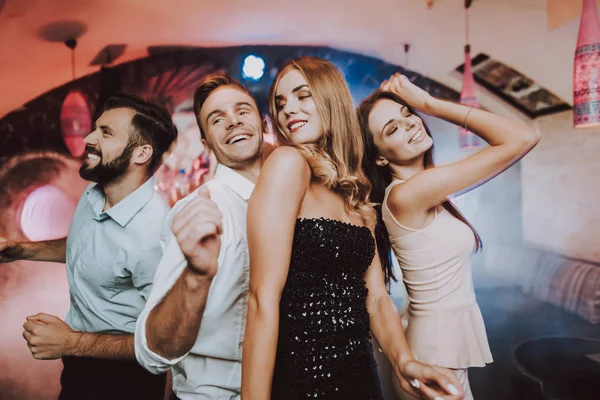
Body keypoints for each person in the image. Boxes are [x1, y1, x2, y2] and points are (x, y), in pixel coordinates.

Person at [241, 57, 464, 400]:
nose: (288, 109)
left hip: (361, 377)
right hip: (303, 380)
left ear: (332, 98)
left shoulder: (357, 190)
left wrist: (404, 361)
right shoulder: (288, 165)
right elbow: (261, 299)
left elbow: (376, 298)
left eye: (303, 95)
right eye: (280, 103)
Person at [357, 73, 540, 398]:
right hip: (435, 351)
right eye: (393, 129)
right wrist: (429, 103)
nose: (411, 123)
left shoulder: (424, 189)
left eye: (408, 113)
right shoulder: (408, 194)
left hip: (437, 344)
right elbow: (523, 136)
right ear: (380, 157)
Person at [0, 94, 178, 400]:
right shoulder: (95, 191)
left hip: (125, 383)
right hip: (78, 369)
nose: (88, 138)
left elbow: (161, 344)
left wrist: (70, 343)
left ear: (141, 153)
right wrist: (21, 249)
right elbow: (88, 248)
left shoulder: (155, 234)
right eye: (96, 128)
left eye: (106, 132)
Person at [134, 73, 265, 399]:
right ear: (206, 143)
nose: (233, 122)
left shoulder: (286, 199)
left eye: (243, 111)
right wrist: (196, 275)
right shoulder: (201, 209)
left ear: (263, 123)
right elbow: (153, 351)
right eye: (217, 119)